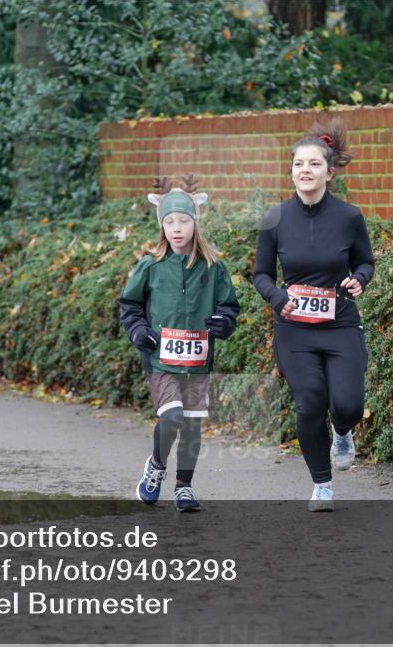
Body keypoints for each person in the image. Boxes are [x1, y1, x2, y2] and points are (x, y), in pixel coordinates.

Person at [253, 118, 375, 512]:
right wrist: (276, 297)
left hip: (340, 323)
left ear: (330, 171)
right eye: (298, 165)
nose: (305, 171)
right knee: (309, 402)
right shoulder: (274, 220)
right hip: (295, 328)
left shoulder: (349, 217)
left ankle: (343, 432)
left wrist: (359, 279)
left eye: (314, 164)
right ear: (291, 171)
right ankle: (322, 485)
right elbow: (260, 274)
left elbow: (366, 263)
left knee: (349, 405)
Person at [118, 174, 240, 512]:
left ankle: (184, 485)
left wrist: (223, 322)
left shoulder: (214, 268)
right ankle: (156, 467)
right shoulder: (151, 266)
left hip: (198, 361)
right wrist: (138, 331)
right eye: (169, 221)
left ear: (195, 224)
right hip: (160, 359)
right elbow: (129, 305)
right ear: (161, 226)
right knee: (171, 417)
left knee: (191, 424)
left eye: (183, 221)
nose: (176, 228)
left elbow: (228, 307)